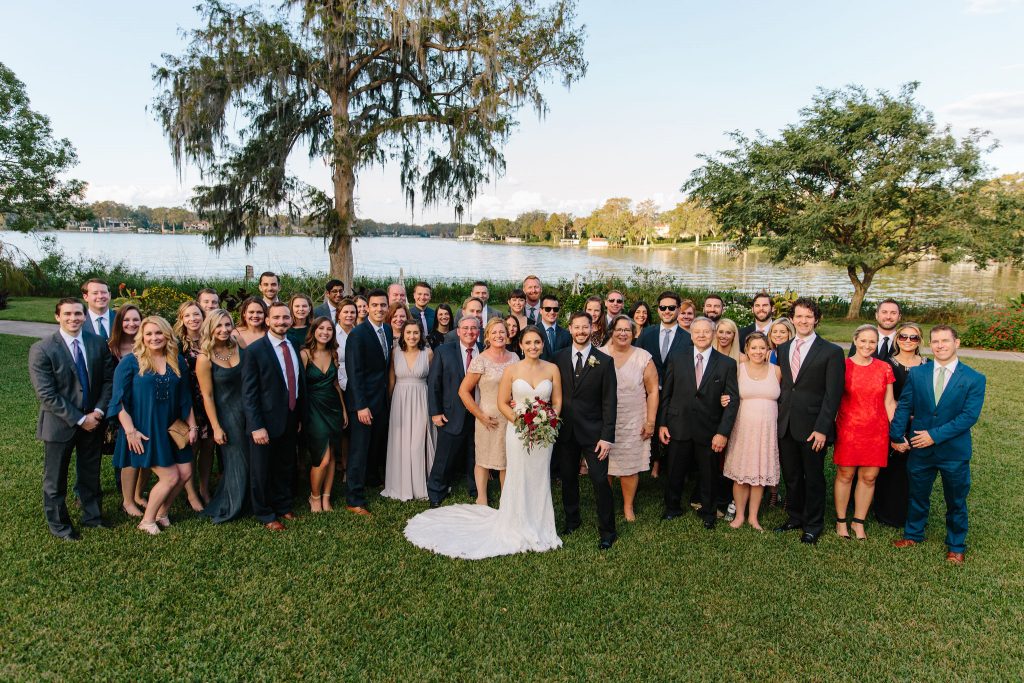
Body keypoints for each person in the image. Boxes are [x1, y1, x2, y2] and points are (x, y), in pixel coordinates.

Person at [404, 325, 563, 559]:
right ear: (520, 344)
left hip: (538, 428)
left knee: (524, 469)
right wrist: (507, 420)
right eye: (528, 342)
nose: (533, 346)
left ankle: (538, 517)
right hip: (504, 421)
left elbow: (555, 401)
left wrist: (546, 421)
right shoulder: (497, 364)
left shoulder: (536, 364)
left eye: (537, 342)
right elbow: (476, 394)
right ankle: (492, 504)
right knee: (491, 460)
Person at [891, 325, 985, 564]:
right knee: (917, 495)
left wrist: (934, 435)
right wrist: (896, 435)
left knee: (956, 500)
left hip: (953, 452)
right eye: (935, 341)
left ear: (957, 343)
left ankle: (956, 545)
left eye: (945, 341)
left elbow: (968, 416)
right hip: (920, 450)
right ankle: (913, 534)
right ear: (930, 345)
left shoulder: (974, 378)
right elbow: (905, 405)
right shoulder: (918, 373)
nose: (940, 345)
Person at [29, 298, 116, 540]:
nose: (73, 318)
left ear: (84, 316)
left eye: (78, 314)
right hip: (60, 424)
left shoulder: (97, 343)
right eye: (67, 314)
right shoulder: (42, 349)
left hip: (94, 421)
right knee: (55, 479)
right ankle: (60, 526)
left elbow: (108, 380)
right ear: (57, 317)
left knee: (90, 474)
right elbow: (46, 394)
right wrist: (79, 419)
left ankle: (93, 517)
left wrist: (98, 412)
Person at [109, 316, 197, 535]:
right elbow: (118, 401)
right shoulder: (130, 362)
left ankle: (162, 513)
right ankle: (147, 521)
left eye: (159, 333)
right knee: (170, 477)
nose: (154, 338)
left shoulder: (177, 360)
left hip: (172, 428)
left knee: (185, 472)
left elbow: (186, 397)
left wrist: (193, 426)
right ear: (142, 336)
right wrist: (130, 431)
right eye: (148, 333)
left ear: (167, 335)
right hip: (144, 429)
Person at [774, 298, 845, 544]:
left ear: (816, 320)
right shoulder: (783, 348)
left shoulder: (831, 352)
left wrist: (822, 428)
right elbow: (787, 387)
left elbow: (833, 394)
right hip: (786, 424)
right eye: (799, 316)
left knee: (813, 477)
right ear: (792, 319)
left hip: (814, 427)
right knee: (791, 475)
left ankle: (813, 524)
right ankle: (795, 516)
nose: (803, 321)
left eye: (808, 316)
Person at [658, 317, 739, 530]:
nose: (701, 335)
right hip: (678, 424)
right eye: (697, 332)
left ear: (713, 334)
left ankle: (708, 512)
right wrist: (663, 423)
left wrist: (722, 432)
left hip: (709, 428)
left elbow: (732, 402)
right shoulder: (677, 357)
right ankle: (672, 507)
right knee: (675, 470)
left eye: (706, 331)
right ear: (691, 335)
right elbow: (667, 393)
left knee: (709, 473)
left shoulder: (726, 364)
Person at [553, 312, 618, 548]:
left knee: (600, 480)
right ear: (570, 329)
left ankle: (608, 531)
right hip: (566, 431)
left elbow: (610, 402)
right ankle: (572, 520)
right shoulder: (557, 358)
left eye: (585, 327)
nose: (581, 331)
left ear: (592, 329)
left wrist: (607, 437)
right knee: (568, 478)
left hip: (594, 433)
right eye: (577, 327)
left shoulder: (604, 361)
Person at [242, 302, 304, 530]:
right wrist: (256, 425)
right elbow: (249, 393)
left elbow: (297, 381)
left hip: (290, 416)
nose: (281, 322)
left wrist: (298, 416)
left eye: (285, 318)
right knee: (261, 470)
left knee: (285, 465)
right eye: (276, 318)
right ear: (267, 320)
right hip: (264, 421)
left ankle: (283, 504)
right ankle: (265, 513)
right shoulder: (255, 351)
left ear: (291, 320)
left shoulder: (293, 343)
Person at [833, 325, 897, 540]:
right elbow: (833, 399)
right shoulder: (843, 366)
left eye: (872, 341)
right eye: (863, 341)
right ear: (855, 340)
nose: (867, 345)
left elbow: (889, 402)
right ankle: (841, 520)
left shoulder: (884, 368)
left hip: (877, 431)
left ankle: (858, 521)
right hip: (849, 429)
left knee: (869, 477)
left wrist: (896, 431)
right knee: (845, 474)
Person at [601, 315, 658, 522]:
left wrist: (650, 421)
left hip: (634, 419)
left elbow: (653, 391)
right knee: (604, 464)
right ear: (611, 332)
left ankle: (628, 506)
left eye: (627, 330)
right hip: (605, 419)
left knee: (630, 466)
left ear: (634, 334)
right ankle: (606, 503)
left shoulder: (643, 357)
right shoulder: (599, 355)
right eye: (619, 329)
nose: (623, 333)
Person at [723, 332, 781, 531]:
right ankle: (740, 515)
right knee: (741, 473)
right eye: (753, 348)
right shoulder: (738, 370)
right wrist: (723, 399)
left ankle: (753, 517)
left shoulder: (777, 371)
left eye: (762, 348)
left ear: (768, 350)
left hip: (767, 430)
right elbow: (727, 393)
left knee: (759, 474)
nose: (758, 351)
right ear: (746, 350)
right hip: (743, 428)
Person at [196, 309, 250, 524]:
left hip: (249, 409)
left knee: (252, 456)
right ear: (210, 328)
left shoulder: (238, 343)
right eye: (218, 325)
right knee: (236, 459)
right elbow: (207, 396)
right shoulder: (204, 358)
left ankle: (251, 499)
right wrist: (216, 427)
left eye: (227, 324)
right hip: (227, 414)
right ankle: (232, 505)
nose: (224, 329)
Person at [459, 318, 519, 505]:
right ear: (487, 337)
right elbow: (463, 391)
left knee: (506, 460)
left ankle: (506, 499)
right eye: (494, 332)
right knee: (483, 459)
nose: (498, 335)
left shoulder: (515, 358)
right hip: (487, 418)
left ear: (507, 335)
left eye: (502, 332)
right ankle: (482, 498)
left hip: (509, 418)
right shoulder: (481, 360)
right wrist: (480, 415)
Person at [874, 322, 929, 528]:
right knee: (892, 470)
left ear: (919, 341)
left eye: (913, 337)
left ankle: (912, 513)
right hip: (892, 421)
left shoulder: (928, 365)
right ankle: (887, 512)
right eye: (903, 336)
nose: (908, 341)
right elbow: (882, 397)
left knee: (916, 471)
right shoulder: (886, 364)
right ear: (897, 339)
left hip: (921, 424)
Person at [344, 288, 392, 515]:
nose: (379, 309)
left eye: (383, 305)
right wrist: (361, 406)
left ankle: (372, 479)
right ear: (367, 308)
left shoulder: (387, 330)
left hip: (381, 399)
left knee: (375, 444)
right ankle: (354, 498)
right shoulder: (358, 334)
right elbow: (354, 373)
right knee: (359, 449)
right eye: (375, 305)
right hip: (362, 402)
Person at [427, 315, 481, 506]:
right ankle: (436, 491)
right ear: (458, 331)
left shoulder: (485, 351)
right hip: (451, 413)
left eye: (473, 328)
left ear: (479, 331)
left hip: (479, 414)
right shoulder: (443, 351)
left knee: (475, 455)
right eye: (465, 328)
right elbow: (434, 383)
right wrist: (435, 412)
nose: (469, 332)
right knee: (444, 456)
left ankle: (476, 489)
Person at [638, 291, 692, 479]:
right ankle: (646, 464)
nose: (667, 311)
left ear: (678, 309)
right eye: (663, 307)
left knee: (671, 432)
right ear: (658, 309)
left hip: (675, 395)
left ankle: (670, 468)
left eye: (671, 307)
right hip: (647, 393)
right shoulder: (647, 333)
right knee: (647, 429)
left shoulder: (688, 338)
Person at [382, 322, 436, 501]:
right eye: (408, 333)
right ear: (403, 334)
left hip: (421, 399)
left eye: (416, 333)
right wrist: (389, 403)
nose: (412, 336)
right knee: (401, 442)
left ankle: (421, 484)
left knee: (417, 444)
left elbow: (433, 382)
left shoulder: (428, 353)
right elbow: (391, 380)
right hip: (400, 401)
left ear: (421, 335)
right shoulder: (395, 353)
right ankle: (400, 484)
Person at [301, 316, 347, 512]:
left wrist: (343, 409)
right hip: (313, 408)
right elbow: (299, 387)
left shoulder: (333, 353)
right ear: (314, 331)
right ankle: (314, 496)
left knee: (332, 454)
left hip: (333, 407)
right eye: (321, 329)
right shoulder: (304, 354)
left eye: (329, 329)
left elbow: (336, 384)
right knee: (323, 458)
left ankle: (326, 497)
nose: (325, 332)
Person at [174, 300, 211, 511]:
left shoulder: (210, 339)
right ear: (182, 319)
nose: (193, 319)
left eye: (196, 314)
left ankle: (204, 488)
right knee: (192, 447)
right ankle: (191, 493)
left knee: (208, 447)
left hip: (209, 399)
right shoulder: (177, 344)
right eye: (187, 315)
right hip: (189, 401)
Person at [538, 293, 570, 361]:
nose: (552, 312)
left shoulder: (566, 335)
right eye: (548, 309)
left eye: (555, 309)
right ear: (540, 311)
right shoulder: (533, 332)